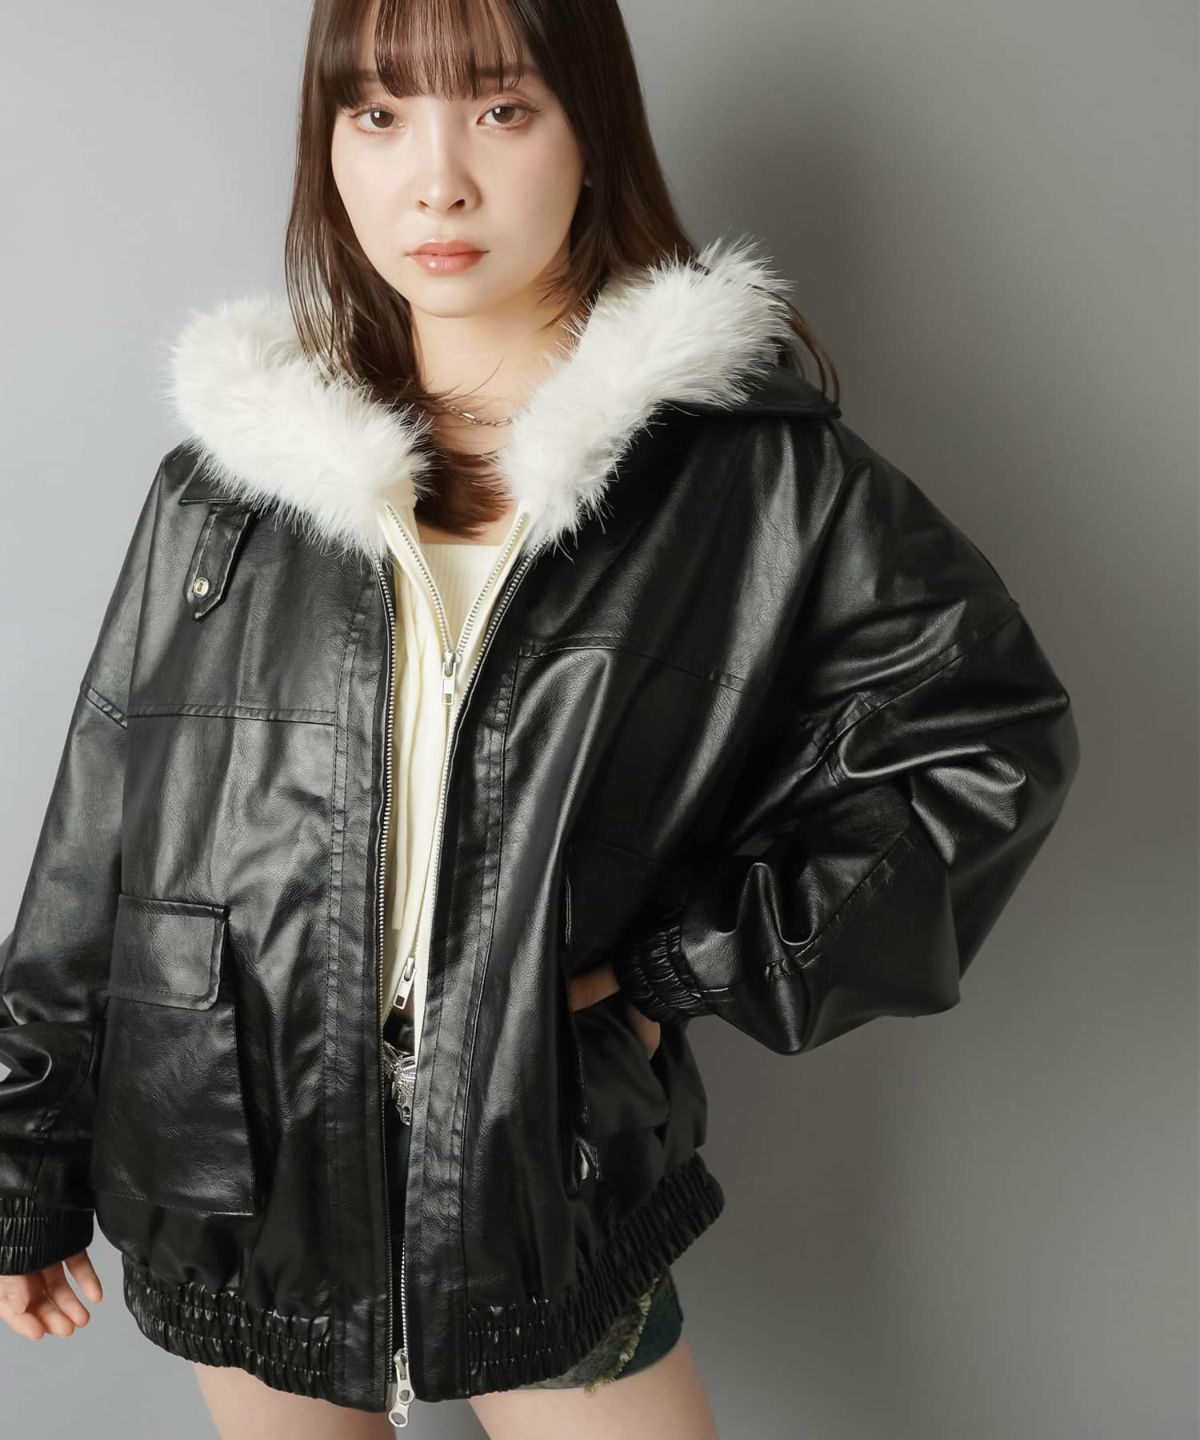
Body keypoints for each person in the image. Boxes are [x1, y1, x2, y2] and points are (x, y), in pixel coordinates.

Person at [0, 0, 1081, 1436]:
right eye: (379, 115)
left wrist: (684, 969)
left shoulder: (748, 480)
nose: (434, 181)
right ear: (330, 146)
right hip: (233, 1162)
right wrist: (22, 1163)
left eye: (501, 109)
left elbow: (984, 743)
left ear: (591, 133)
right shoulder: (235, 483)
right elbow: (100, 845)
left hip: (533, 1180)